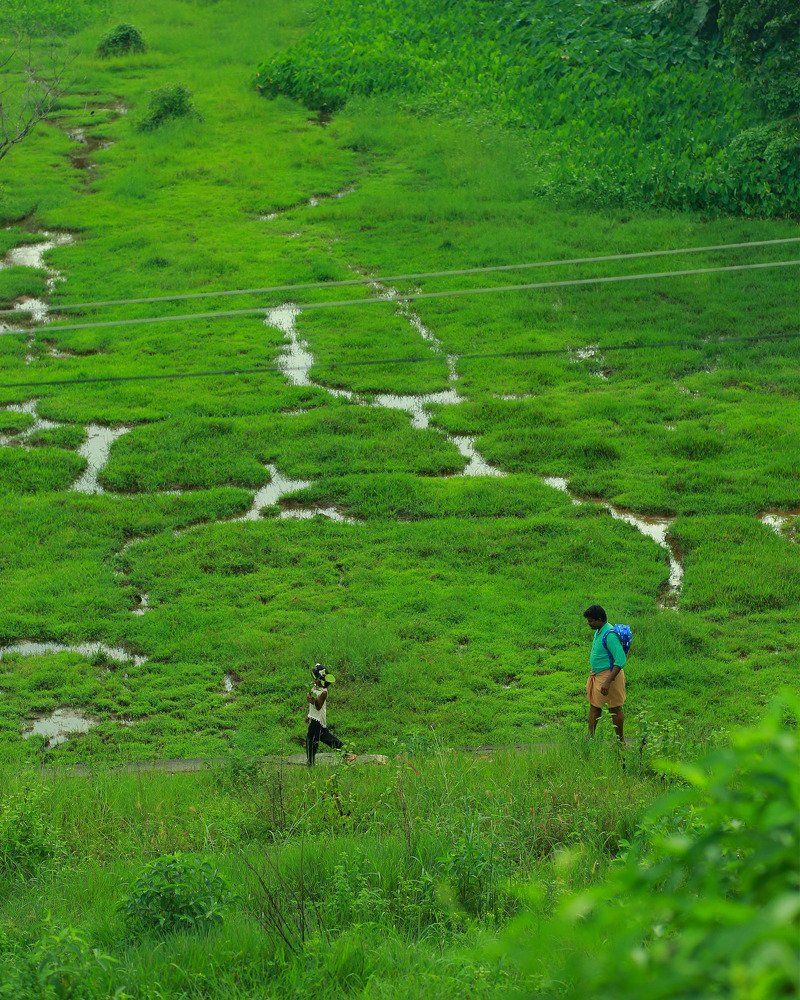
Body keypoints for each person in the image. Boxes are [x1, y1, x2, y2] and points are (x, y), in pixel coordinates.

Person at [583, 604, 626, 742]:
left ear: (599, 619)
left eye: (591, 621)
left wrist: (608, 681)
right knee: (594, 705)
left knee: (615, 709)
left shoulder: (610, 634)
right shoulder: (600, 630)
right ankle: (590, 737)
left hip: (609, 676)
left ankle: (621, 741)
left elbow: (620, 660)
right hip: (598, 675)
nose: (589, 623)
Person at [306, 663, 344, 766]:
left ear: (322, 680)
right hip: (314, 717)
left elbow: (318, 706)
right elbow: (313, 707)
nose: (314, 681)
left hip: (318, 719)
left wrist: (312, 700)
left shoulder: (323, 692)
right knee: (325, 737)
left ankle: (310, 763)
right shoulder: (315, 687)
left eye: (316, 679)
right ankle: (346, 752)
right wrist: (308, 715)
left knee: (311, 740)